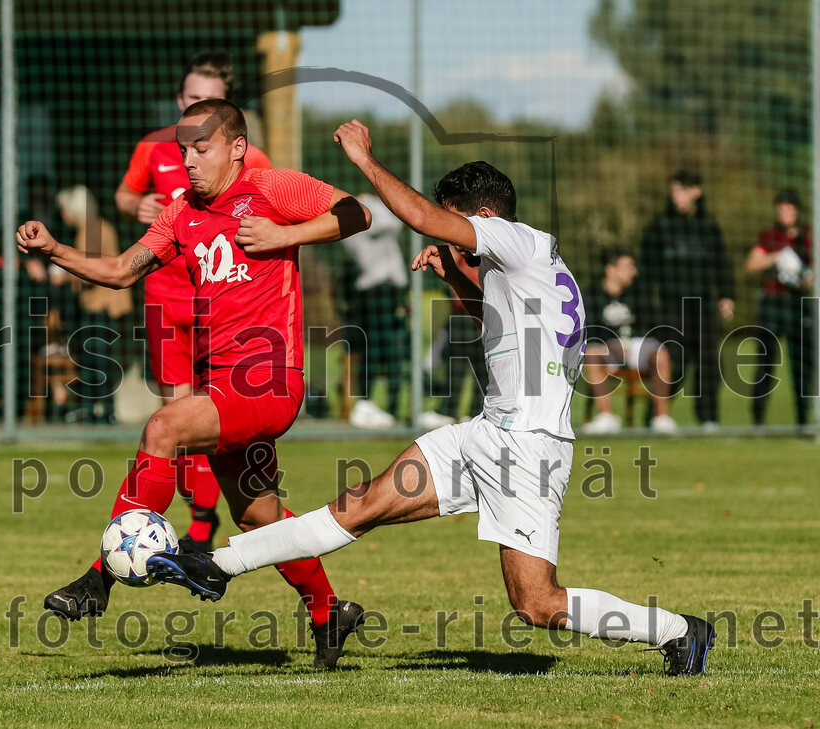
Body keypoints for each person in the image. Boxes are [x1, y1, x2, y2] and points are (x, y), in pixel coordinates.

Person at [147, 125, 717, 677]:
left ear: (484, 217)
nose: (447, 239)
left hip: (529, 452)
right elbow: (497, 324)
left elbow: (418, 215)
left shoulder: (518, 240)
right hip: (485, 435)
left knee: (537, 604)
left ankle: (677, 630)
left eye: (456, 227)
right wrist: (455, 278)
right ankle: (216, 564)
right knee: (361, 504)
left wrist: (365, 161)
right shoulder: (522, 266)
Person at [18, 99, 373, 669]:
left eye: (200, 149)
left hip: (268, 382)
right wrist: (54, 250)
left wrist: (287, 237)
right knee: (259, 517)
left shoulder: (271, 187)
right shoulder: (180, 213)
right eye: (183, 149)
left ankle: (97, 581)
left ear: (236, 147)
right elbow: (119, 272)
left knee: (163, 425)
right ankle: (331, 612)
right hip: (223, 388)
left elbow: (357, 214)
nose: (187, 160)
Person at [117, 50, 272, 551]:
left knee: (207, 420)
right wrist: (135, 205)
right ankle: (198, 524)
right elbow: (124, 197)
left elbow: (278, 214)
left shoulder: (254, 162)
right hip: (164, 298)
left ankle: (204, 529)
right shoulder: (154, 146)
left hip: (220, 308)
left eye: (206, 99)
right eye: (188, 97)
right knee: (173, 416)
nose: (194, 106)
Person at [639, 170, 734, 431]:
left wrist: (727, 295)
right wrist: (648, 306)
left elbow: (721, 264)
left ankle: (708, 419)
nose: (676, 196)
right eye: (674, 191)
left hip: (702, 306)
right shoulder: (659, 225)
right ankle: (657, 417)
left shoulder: (709, 225)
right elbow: (645, 271)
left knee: (708, 364)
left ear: (696, 192)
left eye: (681, 190)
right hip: (671, 307)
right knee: (673, 360)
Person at [56, 185, 134, 424]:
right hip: (104, 302)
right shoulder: (95, 226)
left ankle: (97, 409)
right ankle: (99, 408)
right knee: (99, 358)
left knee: (95, 359)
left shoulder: (90, 228)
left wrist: (61, 274)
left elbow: (87, 270)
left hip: (102, 304)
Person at [582, 248, 678, 434]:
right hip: (607, 346)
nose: (633, 271)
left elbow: (653, 325)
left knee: (661, 355)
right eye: (628, 266)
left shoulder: (639, 291)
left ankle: (661, 418)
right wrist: (610, 342)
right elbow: (588, 328)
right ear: (610, 270)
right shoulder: (592, 293)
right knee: (591, 353)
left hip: (635, 345)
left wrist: (631, 342)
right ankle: (606, 417)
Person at [744, 188, 815, 430]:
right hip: (773, 303)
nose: (786, 213)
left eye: (790, 209)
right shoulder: (770, 236)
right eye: (782, 208)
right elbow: (752, 263)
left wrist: (805, 275)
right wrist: (777, 256)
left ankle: (803, 420)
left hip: (797, 305)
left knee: (802, 364)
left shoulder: (807, 236)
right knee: (765, 363)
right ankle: (758, 421)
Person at [340, 193, 411, 428]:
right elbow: (390, 221)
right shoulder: (351, 224)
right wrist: (372, 204)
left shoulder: (370, 214)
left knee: (396, 352)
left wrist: (372, 202)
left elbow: (398, 220)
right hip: (374, 291)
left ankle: (391, 407)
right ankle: (367, 404)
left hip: (393, 291)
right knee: (374, 350)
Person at [423, 245, 486, 428]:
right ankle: (449, 412)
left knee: (482, 368)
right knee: (456, 366)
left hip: (482, 308)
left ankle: (477, 412)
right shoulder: (464, 238)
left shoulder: (487, 237)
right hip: (463, 311)